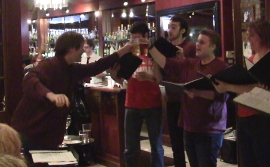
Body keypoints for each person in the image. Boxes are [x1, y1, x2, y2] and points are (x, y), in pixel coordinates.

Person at [11, 31, 133, 151]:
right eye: (81, 47)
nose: (83, 51)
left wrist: (123, 50)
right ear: (71, 48)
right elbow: (29, 80)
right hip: (30, 131)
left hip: (48, 135)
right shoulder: (48, 65)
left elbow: (97, 66)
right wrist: (50, 95)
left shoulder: (72, 69)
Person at [147, 29, 228, 167]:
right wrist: (150, 47)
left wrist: (197, 93)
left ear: (213, 46)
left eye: (202, 42)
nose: (197, 45)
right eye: (197, 41)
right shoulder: (191, 63)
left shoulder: (221, 67)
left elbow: (222, 96)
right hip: (189, 126)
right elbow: (167, 63)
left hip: (209, 128)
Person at [213, 19, 270, 167]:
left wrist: (228, 86)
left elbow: (256, 88)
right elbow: (248, 87)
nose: (248, 39)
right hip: (244, 115)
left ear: (263, 35)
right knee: (247, 160)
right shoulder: (250, 59)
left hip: (262, 117)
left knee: (263, 159)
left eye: (252, 35)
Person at [109, 22, 164, 167]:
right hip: (131, 104)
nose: (135, 42)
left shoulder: (155, 53)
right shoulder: (129, 54)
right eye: (132, 39)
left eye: (138, 38)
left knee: (156, 147)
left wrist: (149, 77)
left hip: (153, 104)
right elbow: (122, 80)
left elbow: (160, 80)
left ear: (146, 36)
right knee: (130, 148)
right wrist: (114, 76)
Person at [164, 15, 196, 167]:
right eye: (169, 26)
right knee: (175, 143)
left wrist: (183, 58)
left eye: (174, 27)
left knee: (190, 143)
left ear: (183, 30)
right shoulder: (165, 49)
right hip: (171, 98)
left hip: (187, 100)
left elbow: (195, 71)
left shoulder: (190, 47)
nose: (169, 30)